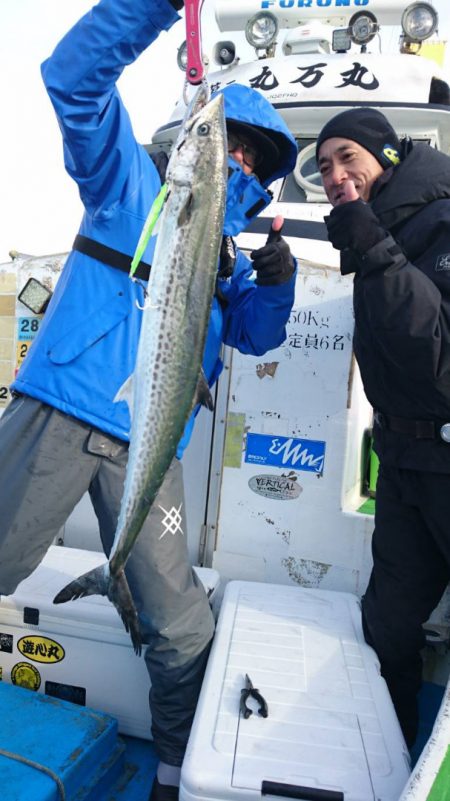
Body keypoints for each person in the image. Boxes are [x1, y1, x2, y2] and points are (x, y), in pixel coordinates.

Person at [0, 0, 298, 799]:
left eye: (251, 155)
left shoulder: (227, 258)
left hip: (148, 445)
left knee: (180, 628)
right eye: (226, 140)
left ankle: (172, 771)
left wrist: (276, 283)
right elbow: (71, 76)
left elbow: (257, 339)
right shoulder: (126, 177)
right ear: (197, 145)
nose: (235, 159)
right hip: (65, 408)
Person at [316, 107, 450, 750]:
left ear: (388, 157)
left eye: (349, 157)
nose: (337, 175)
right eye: (323, 167)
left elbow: (435, 357)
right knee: (389, 626)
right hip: (403, 465)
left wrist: (373, 249)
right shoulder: (375, 229)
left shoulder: (440, 217)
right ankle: (388, 759)